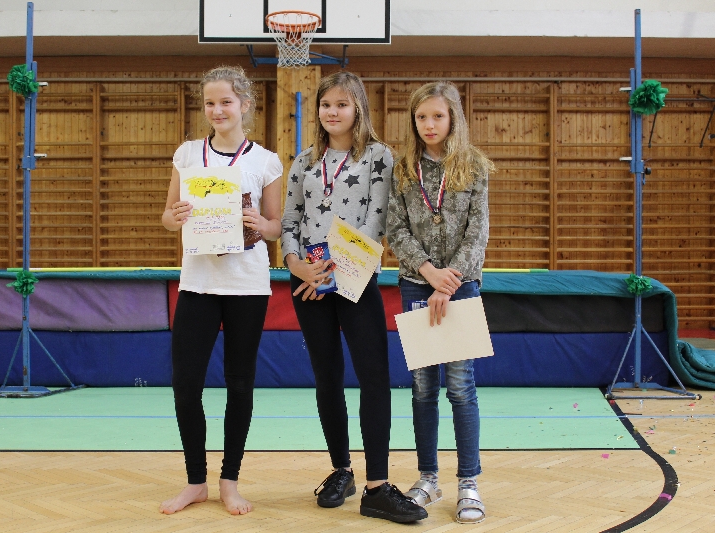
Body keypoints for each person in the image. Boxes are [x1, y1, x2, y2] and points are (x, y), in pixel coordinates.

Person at [281, 71, 427, 524]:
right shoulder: (304, 160)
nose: (332, 112)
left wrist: (332, 269)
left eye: (342, 104)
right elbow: (289, 221)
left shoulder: (379, 156)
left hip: (355, 280)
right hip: (308, 283)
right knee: (327, 376)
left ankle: (377, 486)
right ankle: (341, 470)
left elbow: (375, 220)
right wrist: (297, 265)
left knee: (374, 378)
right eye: (326, 104)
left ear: (358, 108)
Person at [159, 65, 282, 516]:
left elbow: (276, 226)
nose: (217, 110)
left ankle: (230, 481)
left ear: (244, 104)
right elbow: (167, 217)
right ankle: (196, 481)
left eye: (226, 102)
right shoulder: (188, 154)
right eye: (210, 102)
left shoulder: (265, 161)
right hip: (198, 283)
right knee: (185, 384)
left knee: (240, 382)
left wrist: (261, 224)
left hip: (247, 285)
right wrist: (176, 216)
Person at [386, 81, 495, 524]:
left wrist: (448, 283)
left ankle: (468, 482)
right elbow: (395, 228)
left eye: (438, 116)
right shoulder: (402, 169)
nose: (429, 124)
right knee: (423, 388)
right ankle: (428, 477)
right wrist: (428, 272)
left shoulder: (474, 167)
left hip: (461, 287)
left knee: (461, 387)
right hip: (417, 286)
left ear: (453, 119)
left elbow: (478, 232)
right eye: (421, 117)